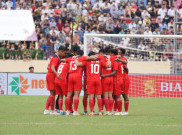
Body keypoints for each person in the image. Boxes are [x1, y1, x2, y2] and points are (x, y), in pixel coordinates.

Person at [75, 51, 110, 116]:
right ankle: (100, 112)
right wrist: (109, 59)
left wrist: (75, 59)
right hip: (98, 79)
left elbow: (77, 64)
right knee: (99, 96)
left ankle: (91, 112)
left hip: (90, 80)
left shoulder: (87, 62)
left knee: (91, 96)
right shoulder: (100, 61)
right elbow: (108, 65)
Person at [44, 46, 66, 115]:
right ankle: (49, 110)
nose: (64, 55)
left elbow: (48, 66)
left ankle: (48, 109)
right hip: (52, 76)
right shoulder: (56, 58)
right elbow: (52, 67)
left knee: (52, 94)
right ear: (61, 51)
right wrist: (57, 74)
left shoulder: (54, 57)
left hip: (50, 75)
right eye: (64, 53)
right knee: (52, 94)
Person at [54, 50, 68, 115]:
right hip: (62, 80)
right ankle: (68, 110)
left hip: (56, 79)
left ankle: (61, 111)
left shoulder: (60, 63)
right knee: (67, 96)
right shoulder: (68, 64)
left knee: (60, 96)